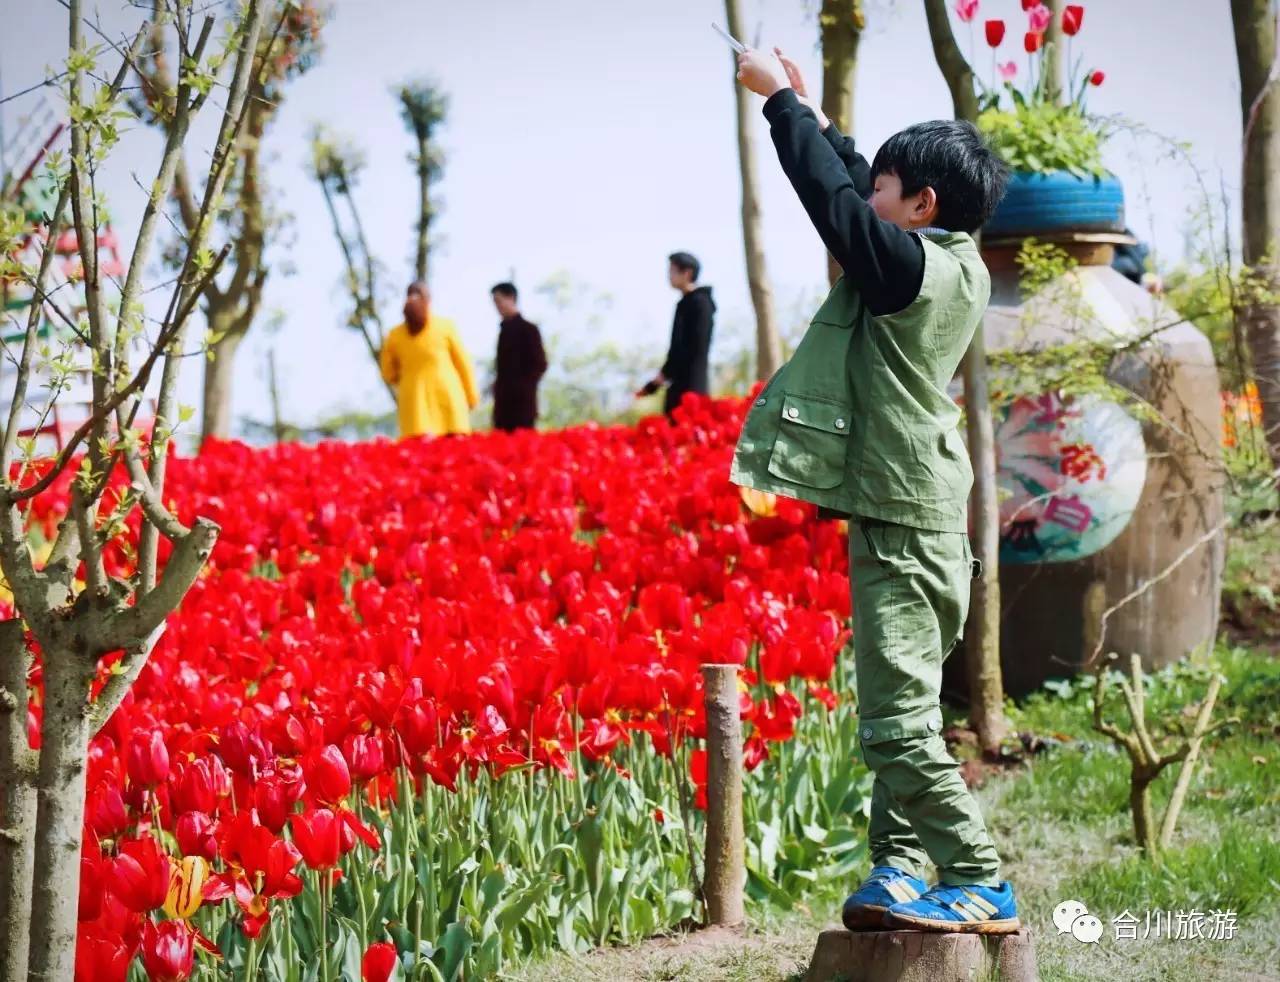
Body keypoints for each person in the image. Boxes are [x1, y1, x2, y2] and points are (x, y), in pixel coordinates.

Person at [730, 47, 1020, 934]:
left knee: (894, 727)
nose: (870, 202)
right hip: (933, 519)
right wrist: (815, 115)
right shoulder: (954, 263)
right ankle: (898, 866)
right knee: (915, 713)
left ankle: (979, 876)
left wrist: (778, 105)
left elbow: (836, 207)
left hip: (901, 522)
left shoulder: (903, 271)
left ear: (922, 205)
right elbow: (855, 186)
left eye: (888, 191)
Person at [379, 282, 479, 438]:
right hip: (449, 404)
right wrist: (472, 397)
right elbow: (464, 365)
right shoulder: (445, 327)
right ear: (429, 301)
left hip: (414, 409)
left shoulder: (394, 335)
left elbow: (388, 374)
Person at [636, 252, 716, 416]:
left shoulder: (700, 304)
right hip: (678, 386)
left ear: (687, 273)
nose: (669, 276)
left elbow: (688, 349)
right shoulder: (685, 303)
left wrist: (658, 381)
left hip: (692, 388)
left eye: (672, 271)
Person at [490, 282, 548, 432]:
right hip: (503, 405)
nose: (497, 307)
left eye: (499, 301)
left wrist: (522, 387)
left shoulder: (529, 329)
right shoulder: (504, 331)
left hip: (523, 405)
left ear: (511, 298)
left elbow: (540, 364)